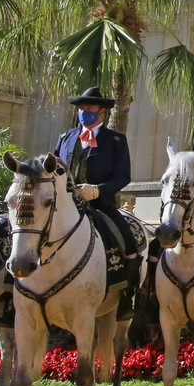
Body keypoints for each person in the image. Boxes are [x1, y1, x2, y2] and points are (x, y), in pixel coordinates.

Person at [53, 87, 139, 319]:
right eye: (82, 109)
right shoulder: (66, 138)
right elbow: (52, 171)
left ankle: (125, 297)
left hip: (100, 205)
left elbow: (123, 176)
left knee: (128, 244)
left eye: (89, 109)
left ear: (102, 112)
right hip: (64, 206)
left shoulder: (116, 140)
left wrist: (97, 191)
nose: (84, 113)